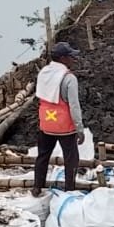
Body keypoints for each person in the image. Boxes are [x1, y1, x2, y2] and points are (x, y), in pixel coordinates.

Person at [31, 42, 84, 197]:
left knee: (43, 155)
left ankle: (37, 186)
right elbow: (74, 106)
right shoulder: (69, 78)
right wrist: (79, 129)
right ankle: (69, 188)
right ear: (63, 58)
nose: (73, 60)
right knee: (71, 157)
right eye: (70, 57)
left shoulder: (43, 73)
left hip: (46, 123)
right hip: (64, 125)